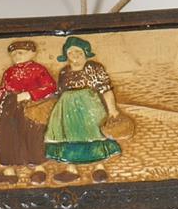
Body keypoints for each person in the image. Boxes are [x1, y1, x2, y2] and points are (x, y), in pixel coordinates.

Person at [42, 36, 121, 183]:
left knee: (94, 133)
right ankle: (71, 168)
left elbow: (106, 89)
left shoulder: (93, 68)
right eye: (71, 53)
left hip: (90, 107)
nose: (75, 56)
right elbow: (60, 92)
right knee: (68, 136)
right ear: (66, 55)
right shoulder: (64, 72)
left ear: (85, 53)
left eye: (78, 52)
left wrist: (112, 109)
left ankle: (99, 167)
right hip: (66, 109)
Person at [0, 40, 56, 184]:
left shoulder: (38, 69)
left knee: (33, 135)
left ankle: (38, 169)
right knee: (6, 136)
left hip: (32, 107)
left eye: (20, 53)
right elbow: (1, 91)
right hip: (10, 107)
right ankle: (9, 171)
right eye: (13, 54)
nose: (17, 56)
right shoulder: (9, 72)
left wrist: (30, 94)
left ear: (32, 53)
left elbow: (50, 86)